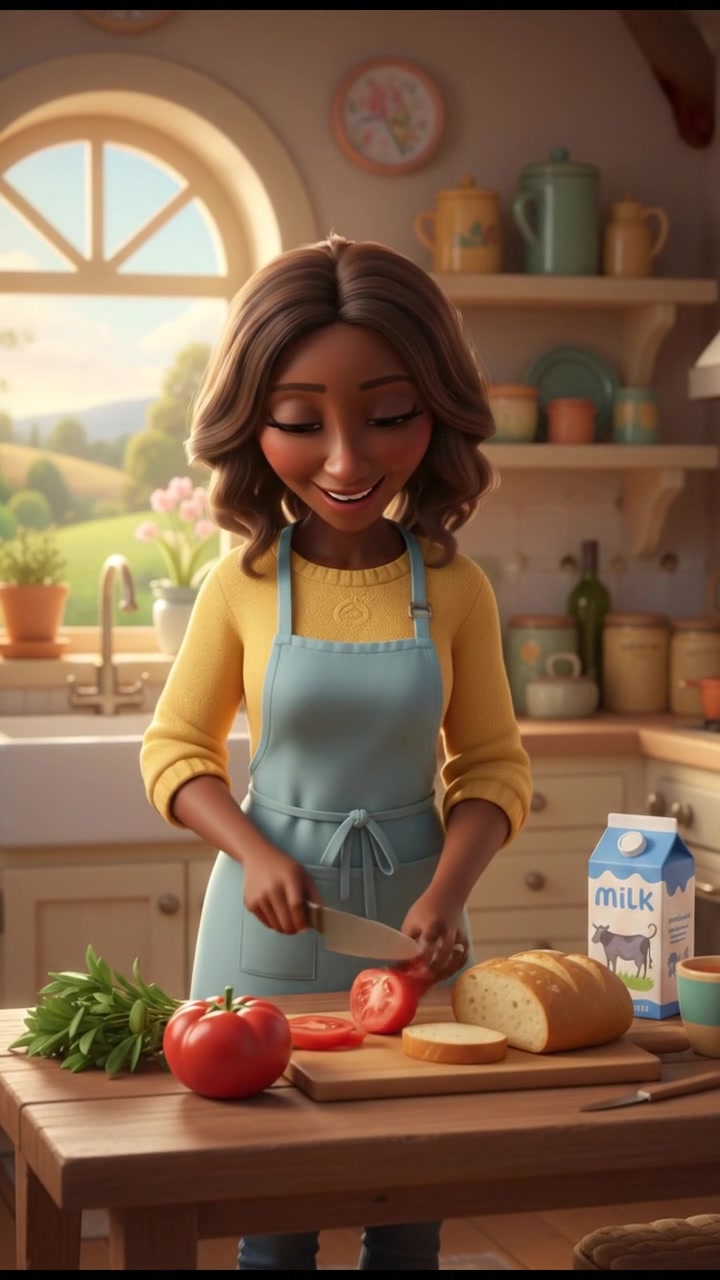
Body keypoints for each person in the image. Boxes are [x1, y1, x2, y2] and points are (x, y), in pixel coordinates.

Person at [140, 233, 532, 1271]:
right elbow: (175, 750)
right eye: (302, 422)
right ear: (250, 424)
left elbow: (493, 766)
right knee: (272, 1210)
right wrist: (252, 851)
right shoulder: (238, 583)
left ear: (435, 410)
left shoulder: (455, 586)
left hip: (415, 923)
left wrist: (447, 895)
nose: (348, 460)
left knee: (411, 1205)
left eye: (387, 415)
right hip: (263, 918)